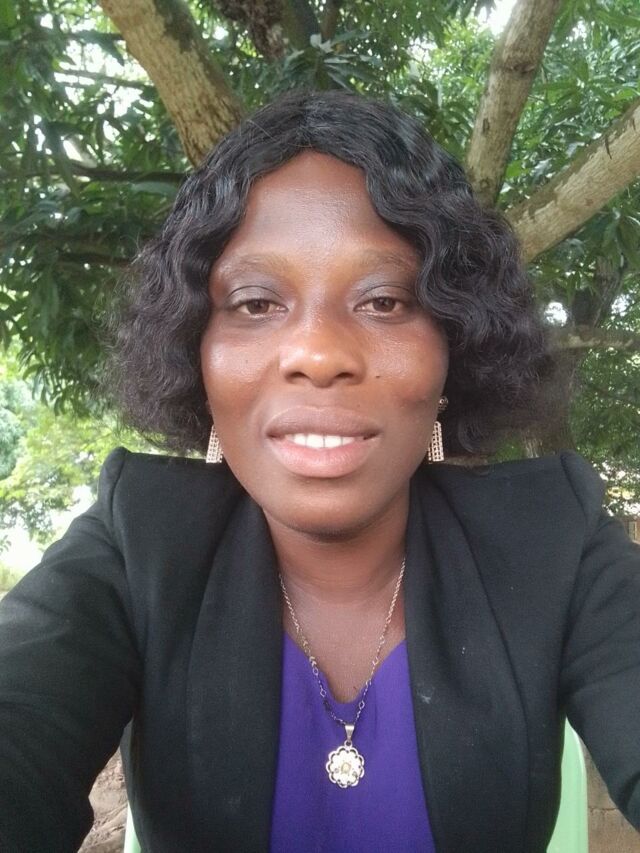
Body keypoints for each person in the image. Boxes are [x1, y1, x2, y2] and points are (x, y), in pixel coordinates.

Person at [0, 89, 639, 853]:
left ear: (453, 347)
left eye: (385, 300)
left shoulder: (553, 539)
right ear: (197, 352)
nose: (318, 353)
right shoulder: (136, 542)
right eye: (256, 302)